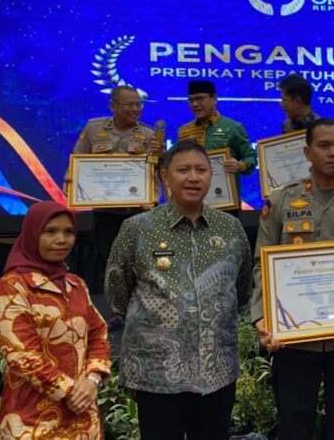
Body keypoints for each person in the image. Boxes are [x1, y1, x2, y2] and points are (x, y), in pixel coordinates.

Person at [105, 140, 253, 440]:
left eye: (201, 170)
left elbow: (242, 288)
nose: (193, 178)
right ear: (165, 176)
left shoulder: (230, 228)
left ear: (211, 175)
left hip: (216, 370)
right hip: (156, 372)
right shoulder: (137, 228)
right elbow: (117, 291)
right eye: (183, 170)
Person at [251, 118, 334, 439]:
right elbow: (261, 264)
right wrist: (262, 318)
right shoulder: (281, 201)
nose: (333, 152)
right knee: (294, 423)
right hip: (294, 337)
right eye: (324, 146)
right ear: (307, 152)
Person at [0, 201, 111, 437]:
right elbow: (22, 356)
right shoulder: (13, 286)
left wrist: (93, 380)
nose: (61, 239)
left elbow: (98, 334)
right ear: (32, 233)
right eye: (50, 231)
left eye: (68, 232)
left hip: (83, 420)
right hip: (31, 421)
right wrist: (72, 392)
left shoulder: (76, 284)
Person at [68, 85, 160, 295]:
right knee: (107, 261)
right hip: (106, 212)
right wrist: (72, 185)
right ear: (113, 106)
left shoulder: (149, 134)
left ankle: (141, 305)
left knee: (140, 263)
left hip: (138, 213)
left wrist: (152, 198)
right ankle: (113, 306)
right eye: (130, 104)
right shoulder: (94, 129)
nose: (135, 109)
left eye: (138, 104)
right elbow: (78, 160)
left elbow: (155, 171)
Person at [178, 80, 257, 205]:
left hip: (226, 201)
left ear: (214, 98)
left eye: (200, 98)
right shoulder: (184, 131)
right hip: (194, 200)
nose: (195, 104)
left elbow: (251, 158)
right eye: (191, 100)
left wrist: (240, 166)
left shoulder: (233, 127)